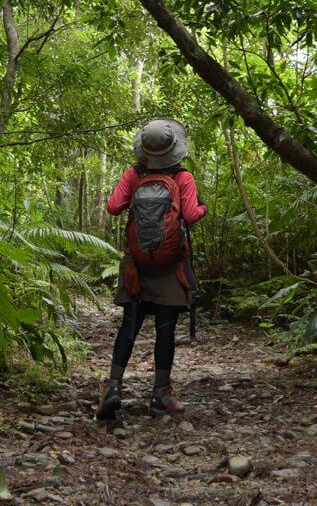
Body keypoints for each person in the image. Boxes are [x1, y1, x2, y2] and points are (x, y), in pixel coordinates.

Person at [97, 118, 207, 419]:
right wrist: (203, 207)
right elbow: (191, 215)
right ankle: (161, 396)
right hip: (170, 266)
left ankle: (113, 387)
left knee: (129, 325)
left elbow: (113, 207)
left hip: (136, 263)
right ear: (175, 148)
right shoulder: (183, 177)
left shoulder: (134, 174)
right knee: (165, 329)